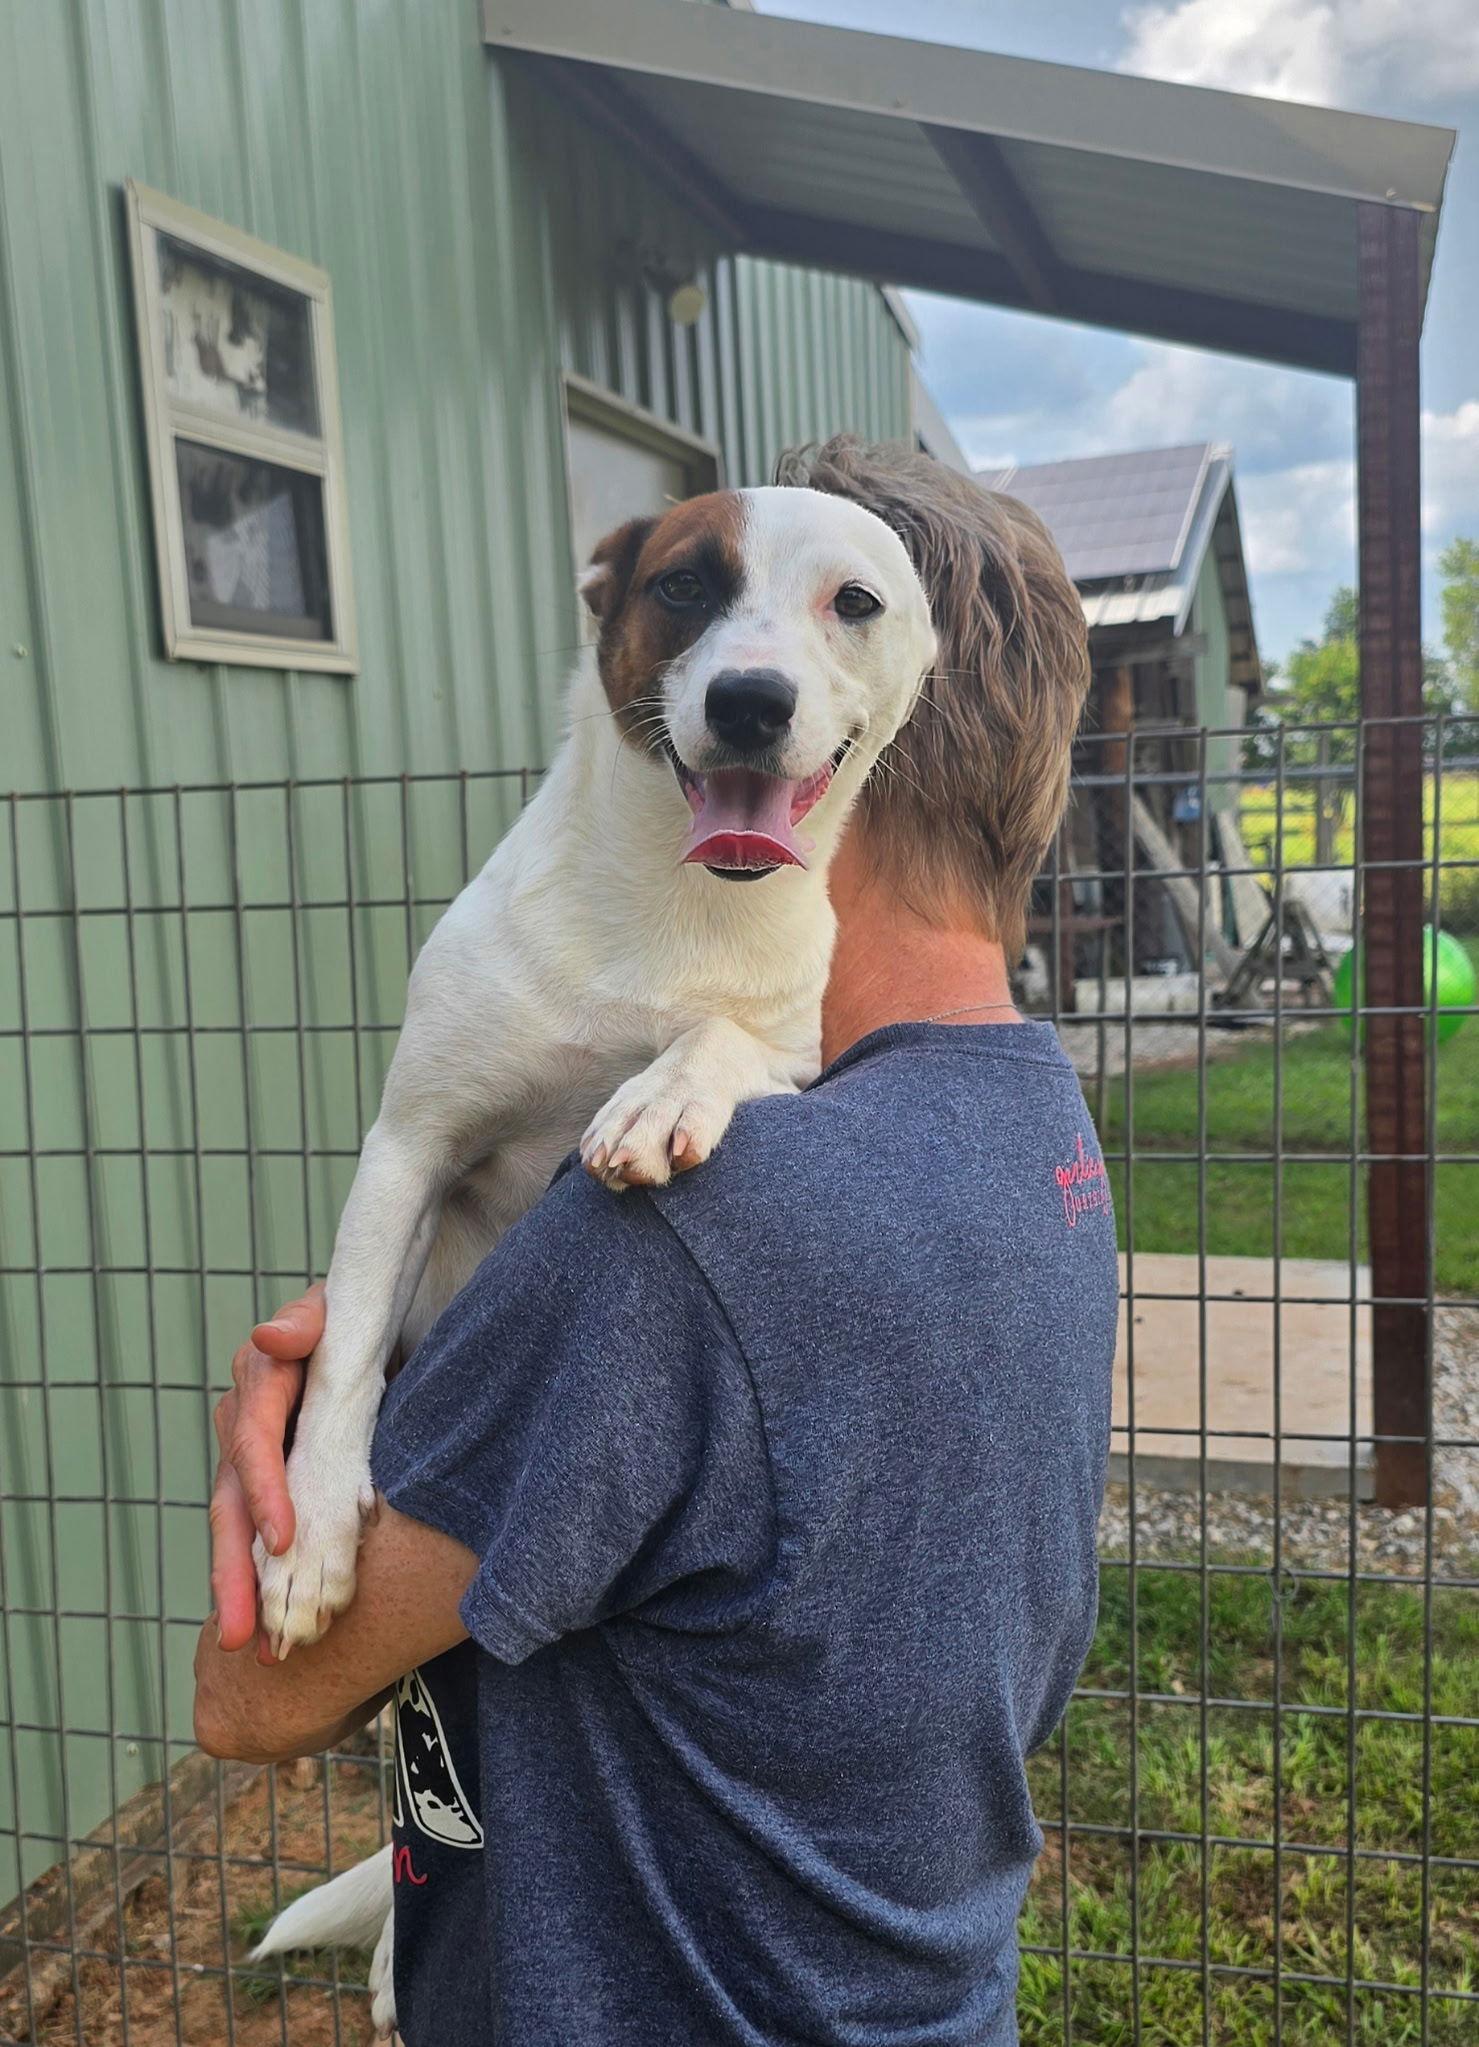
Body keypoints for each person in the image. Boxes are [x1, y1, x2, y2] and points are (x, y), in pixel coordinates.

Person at [195, 439, 1117, 2046]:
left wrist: (264, 1452)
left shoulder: (677, 1220)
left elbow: (257, 1693)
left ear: (865, 730)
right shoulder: (1039, 1142)